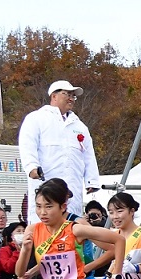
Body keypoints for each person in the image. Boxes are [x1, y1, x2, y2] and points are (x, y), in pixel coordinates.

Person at [17, 80, 99, 219]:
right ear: (54, 96)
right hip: (46, 181)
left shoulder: (79, 126)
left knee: (71, 222)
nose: (71, 98)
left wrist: (91, 180)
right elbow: (27, 145)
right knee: (44, 220)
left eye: (73, 96)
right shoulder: (36, 118)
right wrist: (32, 168)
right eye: (66, 94)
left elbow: (88, 154)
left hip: (72, 186)